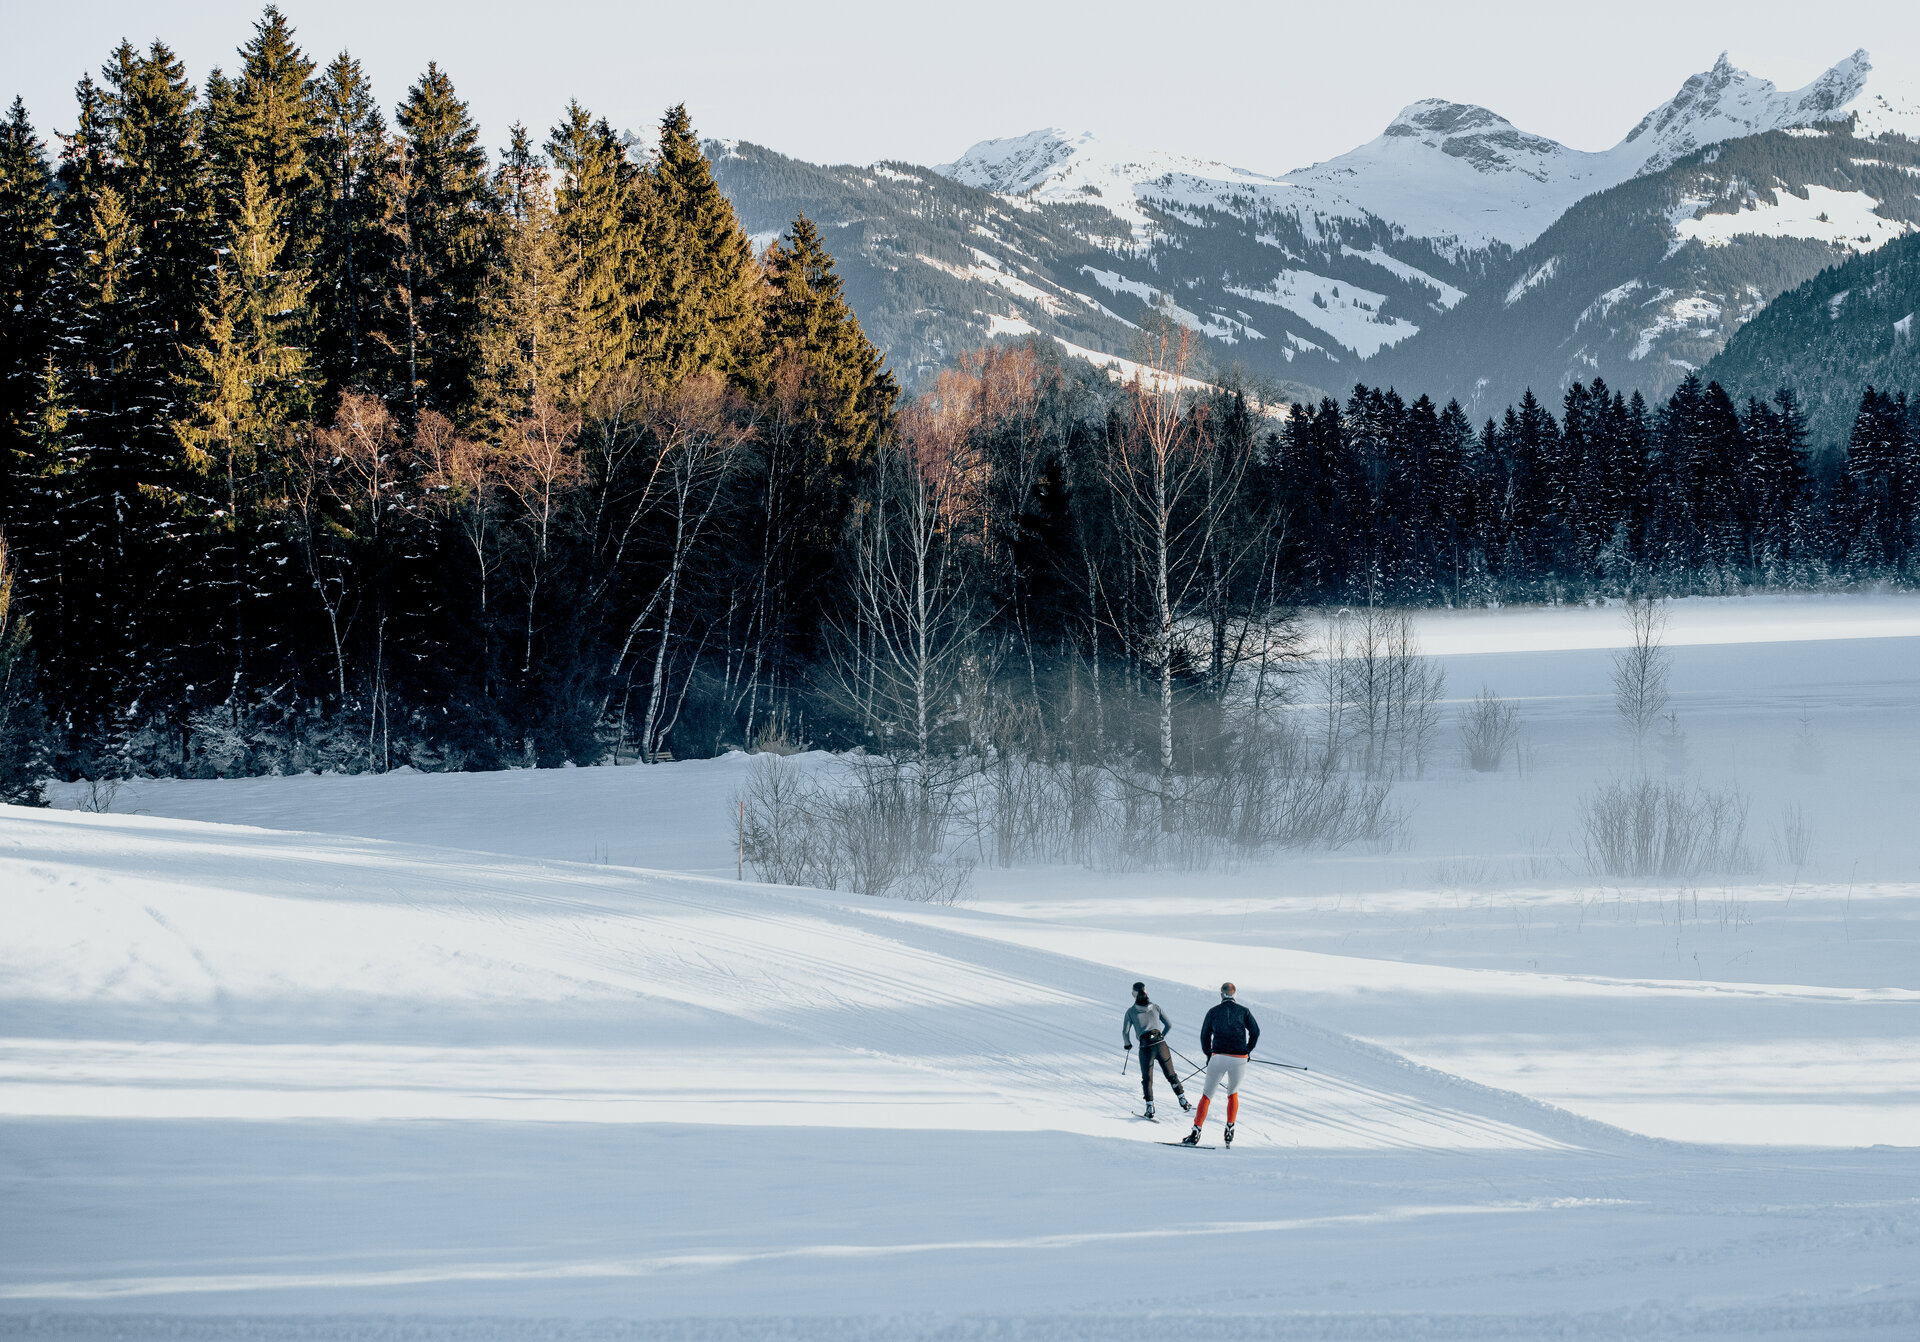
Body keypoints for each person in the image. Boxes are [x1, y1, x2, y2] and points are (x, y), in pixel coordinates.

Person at [1183, 982, 1259, 1146]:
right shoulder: (1244, 1011)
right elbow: (1255, 1032)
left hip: (1218, 1056)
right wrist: (1247, 1051)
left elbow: (1204, 1036)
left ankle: (1196, 1132)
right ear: (1235, 994)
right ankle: (1230, 1129)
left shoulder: (1213, 1011)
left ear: (1221, 995)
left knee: (1207, 1095)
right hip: (1239, 1058)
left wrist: (1209, 1054)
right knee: (1233, 1093)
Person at [1122, 981, 1190, 1119]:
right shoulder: (1156, 1007)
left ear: (1133, 994)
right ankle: (1183, 1100)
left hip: (1146, 1047)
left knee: (1147, 1078)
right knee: (1171, 1075)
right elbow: (1169, 1025)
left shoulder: (1130, 1012)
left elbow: (1125, 1032)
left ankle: (1150, 1108)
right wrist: (1161, 1036)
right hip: (1161, 1044)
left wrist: (1127, 1044)